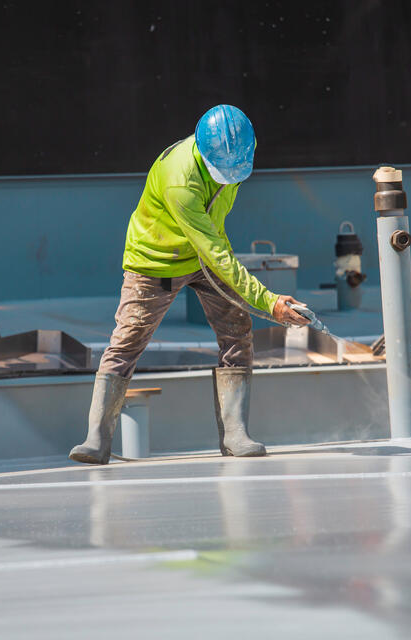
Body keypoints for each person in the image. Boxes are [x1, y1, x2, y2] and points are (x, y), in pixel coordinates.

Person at [69, 105, 309, 465]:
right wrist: (268, 301)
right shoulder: (180, 181)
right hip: (156, 261)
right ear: (205, 154)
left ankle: (235, 434)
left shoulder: (233, 158)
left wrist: (261, 301)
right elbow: (214, 252)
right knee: (127, 341)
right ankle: (96, 439)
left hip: (204, 254)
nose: (231, 179)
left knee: (236, 331)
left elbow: (214, 236)